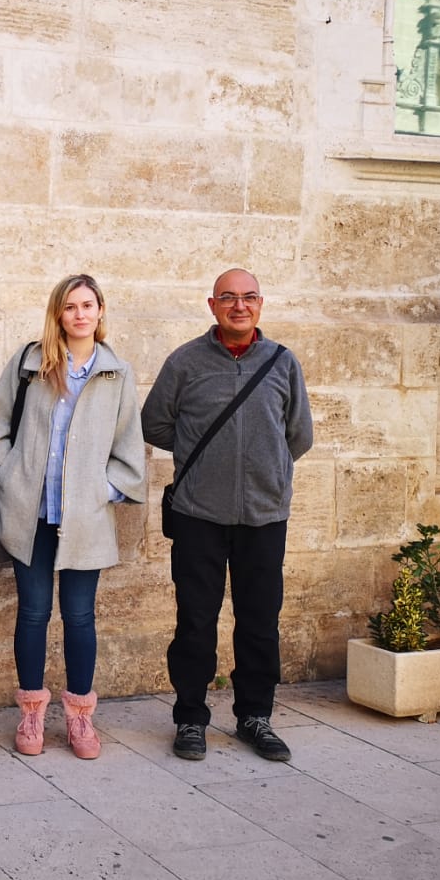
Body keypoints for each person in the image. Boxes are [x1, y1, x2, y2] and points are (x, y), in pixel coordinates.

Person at [142, 268, 313, 763]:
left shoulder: (282, 363)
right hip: (198, 513)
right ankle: (190, 717)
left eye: (249, 297)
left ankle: (255, 716)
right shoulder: (186, 362)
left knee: (260, 621)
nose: (240, 306)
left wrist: (266, 470)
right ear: (212, 305)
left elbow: (299, 435)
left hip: (264, 515)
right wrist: (204, 459)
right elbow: (155, 423)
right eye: (229, 298)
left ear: (261, 304)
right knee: (195, 621)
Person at [0, 275, 146, 758]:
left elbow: (128, 443)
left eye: (88, 305)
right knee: (32, 614)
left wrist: (103, 489)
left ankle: (79, 720)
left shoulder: (116, 372)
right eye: (70, 306)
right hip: (32, 513)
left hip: (85, 518)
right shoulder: (31, 362)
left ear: (100, 312)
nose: (79, 314)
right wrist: (7, 475)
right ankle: (31, 713)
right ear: (58, 313)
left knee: (79, 617)